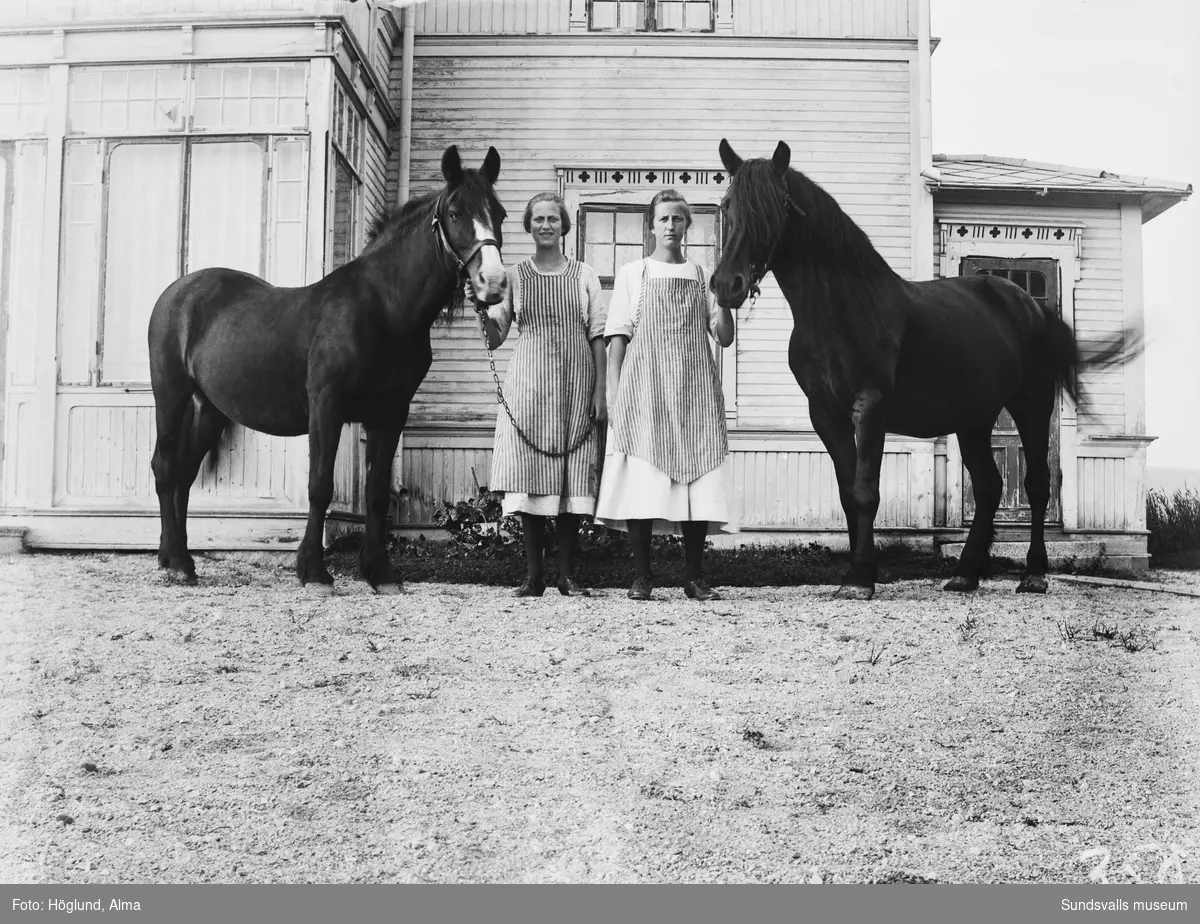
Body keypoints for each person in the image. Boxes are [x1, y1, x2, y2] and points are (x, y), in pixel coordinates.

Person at [595, 188, 737, 601]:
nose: (671, 226)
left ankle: (693, 577)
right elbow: (617, 338)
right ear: (652, 226)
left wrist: (725, 303)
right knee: (643, 483)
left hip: (694, 390)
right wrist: (616, 392)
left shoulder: (701, 275)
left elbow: (723, 338)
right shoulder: (633, 273)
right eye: (664, 219)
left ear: (687, 226)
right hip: (646, 389)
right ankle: (643, 576)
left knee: (698, 479)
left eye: (678, 219)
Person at [479, 192, 607, 597]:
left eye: (553, 218)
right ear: (529, 225)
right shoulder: (515, 276)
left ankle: (567, 575)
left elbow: (598, 335)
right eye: (538, 219)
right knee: (530, 478)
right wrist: (482, 308)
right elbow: (496, 336)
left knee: (571, 480)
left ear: (564, 225)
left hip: (576, 385)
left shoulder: (584, 274)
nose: (546, 225)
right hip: (529, 386)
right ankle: (534, 576)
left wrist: (601, 390)